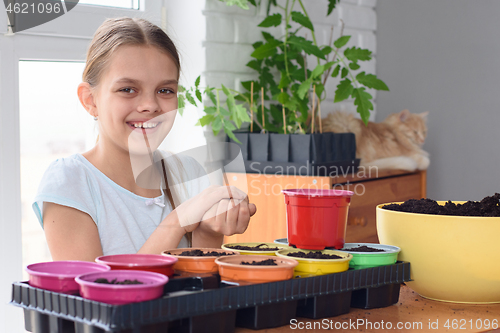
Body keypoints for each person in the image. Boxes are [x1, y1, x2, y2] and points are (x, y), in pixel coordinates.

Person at [32, 17, 256, 262]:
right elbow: (98, 295)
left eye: (165, 90)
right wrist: (178, 220)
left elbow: (200, 292)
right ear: (90, 100)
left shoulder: (188, 171)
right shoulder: (71, 182)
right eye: (128, 89)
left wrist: (210, 230)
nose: (150, 105)